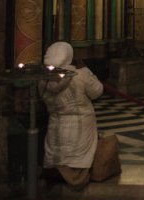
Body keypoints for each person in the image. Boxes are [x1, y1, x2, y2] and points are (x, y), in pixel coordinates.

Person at [39, 41, 104, 190]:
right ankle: (75, 178)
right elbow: (97, 91)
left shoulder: (42, 79)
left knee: (58, 151)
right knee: (78, 155)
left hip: (56, 122)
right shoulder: (80, 75)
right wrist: (87, 70)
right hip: (81, 122)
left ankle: (57, 175)